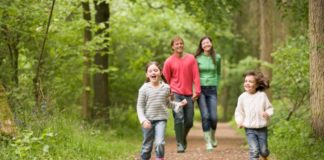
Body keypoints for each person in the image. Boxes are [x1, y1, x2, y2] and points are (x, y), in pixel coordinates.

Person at [136, 61, 187, 160]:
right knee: (147, 146)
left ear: (160, 72)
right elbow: (140, 107)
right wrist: (143, 120)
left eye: (155, 70)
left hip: (161, 120)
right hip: (148, 121)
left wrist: (178, 104)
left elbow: (167, 103)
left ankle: (159, 158)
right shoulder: (144, 89)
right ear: (147, 74)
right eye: (150, 71)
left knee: (159, 143)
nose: (153, 73)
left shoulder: (166, 88)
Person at [163, 36, 201, 153]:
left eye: (181, 43)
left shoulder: (191, 59)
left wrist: (197, 91)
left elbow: (196, 76)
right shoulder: (169, 61)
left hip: (189, 94)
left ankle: (182, 137)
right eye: (177, 44)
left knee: (189, 121)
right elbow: (165, 80)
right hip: (175, 94)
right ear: (172, 47)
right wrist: (168, 94)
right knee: (179, 117)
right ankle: (179, 143)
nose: (179, 45)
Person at [234, 70, 274, 160]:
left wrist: (267, 113)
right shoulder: (242, 97)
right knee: (254, 150)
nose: (247, 83)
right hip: (249, 128)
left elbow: (270, 108)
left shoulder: (262, 96)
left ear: (256, 85)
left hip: (262, 128)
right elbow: (239, 112)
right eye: (246, 81)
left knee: (263, 150)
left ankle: (265, 155)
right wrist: (239, 121)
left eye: (250, 82)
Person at [194, 36, 221, 151]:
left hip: (212, 89)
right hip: (201, 90)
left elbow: (218, 73)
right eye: (203, 43)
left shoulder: (217, 57)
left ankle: (213, 136)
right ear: (201, 46)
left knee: (214, 117)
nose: (206, 44)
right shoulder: (197, 58)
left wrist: (216, 84)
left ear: (211, 43)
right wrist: (195, 89)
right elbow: (194, 75)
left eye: (208, 42)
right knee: (205, 116)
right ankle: (208, 142)